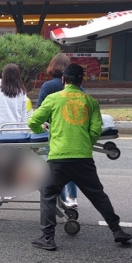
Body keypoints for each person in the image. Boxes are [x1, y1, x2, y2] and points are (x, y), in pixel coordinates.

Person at [28, 64, 132, 250]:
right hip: (83, 158)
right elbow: (95, 130)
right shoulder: (90, 102)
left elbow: (33, 121)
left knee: (48, 193)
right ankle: (117, 231)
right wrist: (85, 144)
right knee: (98, 195)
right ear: (81, 81)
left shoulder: (53, 99)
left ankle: (48, 238)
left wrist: (40, 129)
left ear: (63, 80)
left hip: (58, 159)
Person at [38, 53, 79, 208]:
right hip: (73, 130)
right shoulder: (76, 86)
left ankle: (60, 198)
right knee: (72, 165)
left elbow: (41, 111)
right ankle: (72, 197)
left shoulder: (48, 86)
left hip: (54, 132)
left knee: (56, 167)